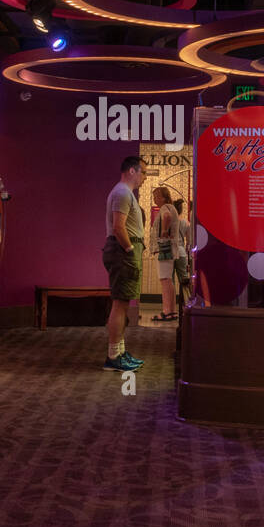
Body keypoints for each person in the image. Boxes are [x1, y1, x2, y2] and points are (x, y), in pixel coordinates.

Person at [102, 156, 146, 371]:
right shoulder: (121, 193)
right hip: (123, 252)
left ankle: (119, 351)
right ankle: (113, 356)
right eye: (143, 172)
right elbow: (119, 227)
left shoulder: (125, 193)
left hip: (125, 252)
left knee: (122, 303)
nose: (144, 177)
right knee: (119, 305)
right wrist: (129, 250)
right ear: (131, 171)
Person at [151, 187, 179, 321]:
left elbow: (166, 217)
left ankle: (167, 311)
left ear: (164, 197)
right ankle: (172, 311)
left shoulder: (165, 208)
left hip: (164, 248)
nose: (155, 199)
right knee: (168, 279)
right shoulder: (171, 207)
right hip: (170, 248)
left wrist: (163, 231)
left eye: (157, 196)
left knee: (164, 280)